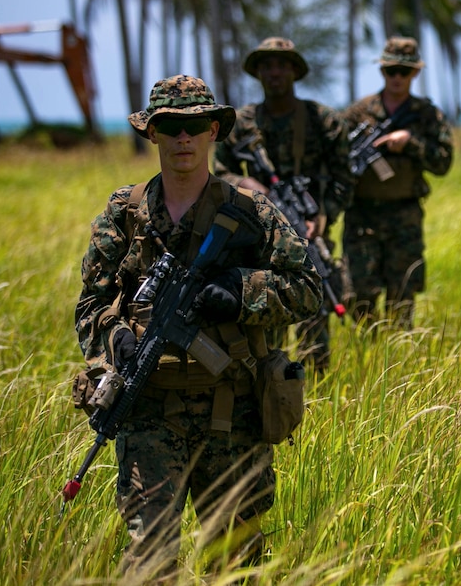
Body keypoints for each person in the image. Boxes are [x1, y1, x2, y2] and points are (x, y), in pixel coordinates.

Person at [75, 74, 321, 580]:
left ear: (213, 130)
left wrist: (241, 291)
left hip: (232, 415)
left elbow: (308, 286)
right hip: (149, 414)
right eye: (171, 127)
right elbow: (91, 305)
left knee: (236, 564)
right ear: (153, 133)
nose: (182, 138)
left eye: (193, 126)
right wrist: (113, 341)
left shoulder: (249, 211)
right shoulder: (124, 215)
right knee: (150, 563)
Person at [214, 37, 354, 374]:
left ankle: (317, 391)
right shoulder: (242, 122)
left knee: (315, 317)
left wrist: (323, 214)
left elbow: (345, 176)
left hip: (308, 230)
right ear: (258, 72)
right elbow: (220, 173)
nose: (274, 72)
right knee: (263, 331)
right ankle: (268, 391)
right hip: (257, 239)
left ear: (294, 71)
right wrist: (248, 186)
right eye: (267, 65)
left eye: (281, 65)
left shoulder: (322, 120)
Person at [341, 36, 453, 330]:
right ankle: (370, 348)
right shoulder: (358, 113)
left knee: (402, 294)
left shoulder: (426, 115)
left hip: (404, 216)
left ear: (415, 73)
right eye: (391, 71)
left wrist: (411, 143)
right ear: (382, 71)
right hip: (362, 215)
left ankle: (397, 354)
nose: (397, 78)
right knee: (358, 295)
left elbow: (443, 163)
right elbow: (335, 159)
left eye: (404, 72)